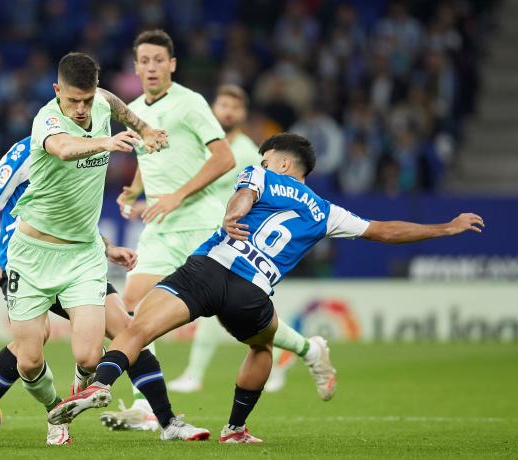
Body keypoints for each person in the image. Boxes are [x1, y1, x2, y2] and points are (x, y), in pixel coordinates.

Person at [49, 132, 484, 444]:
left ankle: (99, 384)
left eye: (266, 155)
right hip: (252, 292)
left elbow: (243, 198)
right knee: (261, 349)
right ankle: (236, 429)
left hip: (210, 267)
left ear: (283, 163)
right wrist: (446, 228)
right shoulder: (327, 211)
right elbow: (384, 230)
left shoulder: (261, 175)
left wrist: (232, 216)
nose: (261, 160)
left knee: (137, 327)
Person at [3, 52, 210, 444]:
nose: (81, 109)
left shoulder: (101, 101)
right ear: (56, 90)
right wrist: (108, 142)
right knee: (28, 361)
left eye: (87, 99)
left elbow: (115, 104)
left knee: (90, 355)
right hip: (31, 255)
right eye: (72, 100)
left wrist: (145, 129)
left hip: (82, 254)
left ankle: (104, 405)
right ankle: (55, 412)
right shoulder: (47, 119)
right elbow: (64, 148)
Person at [0, 136, 150, 444]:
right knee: (30, 352)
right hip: (25, 263)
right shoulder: (26, 151)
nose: (82, 113)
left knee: (125, 329)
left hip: (78, 262)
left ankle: (159, 414)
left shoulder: (90, 150)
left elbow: (73, 217)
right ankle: (42, 410)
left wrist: (107, 248)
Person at [107, 29, 235, 426]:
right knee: (130, 312)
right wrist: (133, 191)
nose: (150, 67)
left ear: (172, 65)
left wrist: (177, 195)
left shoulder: (190, 103)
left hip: (199, 223)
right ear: (135, 66)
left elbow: (224, 157)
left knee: (243, 318)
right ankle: (145, 406)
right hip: (161, 228)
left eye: (158, 60)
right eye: (143, 61)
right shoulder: (132, 110)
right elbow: (150, 160)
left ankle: (305, 348)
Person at [168, 84, 308, 395]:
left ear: (243, 114)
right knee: (227, 312)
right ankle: (295, 351)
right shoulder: (203, 146)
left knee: (213, 303)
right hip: (202, 233)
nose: (228, 112)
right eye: (223, 105)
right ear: (213, 109)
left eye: (235, 107)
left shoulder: (247, 153)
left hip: (235, 244)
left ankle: (194, 373)